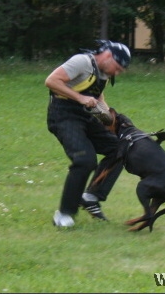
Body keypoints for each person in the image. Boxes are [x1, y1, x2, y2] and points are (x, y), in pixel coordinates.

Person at [45, 40, 131, 227]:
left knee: (120, 148)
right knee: (85, 160)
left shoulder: (104, 72)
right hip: (63, 115)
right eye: (117, 68)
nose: (116, 73)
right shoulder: (82, 62)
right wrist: (80, 98)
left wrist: (109, 118)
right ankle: (64, 214)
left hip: (86, 116)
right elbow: (51, 81)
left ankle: (91, 196)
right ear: (108, 56)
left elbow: (97, 96)